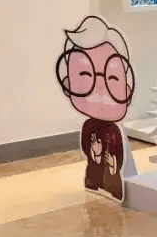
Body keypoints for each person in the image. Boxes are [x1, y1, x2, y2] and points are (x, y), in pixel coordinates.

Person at [56, 16, 135, 201]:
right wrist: (95, 153)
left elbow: (117, 159)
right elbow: (86, 148)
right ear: (67, 83)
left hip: (113, 181)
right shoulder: (88, 126)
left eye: (112, 78)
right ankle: (95, 182)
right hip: (93, 175)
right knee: (95, 173)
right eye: (85, 75)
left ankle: (110, 187)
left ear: (127, 89)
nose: (100, 87)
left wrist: (111, 163)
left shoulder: (114, 132)